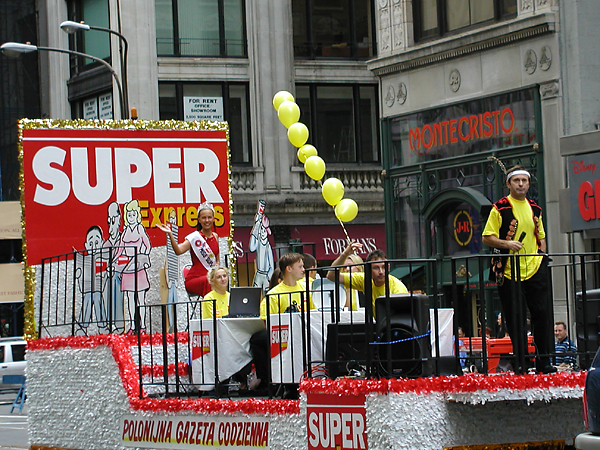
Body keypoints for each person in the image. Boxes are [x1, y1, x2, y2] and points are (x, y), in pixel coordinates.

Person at [482, 165, 556, 374]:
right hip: (508, 270)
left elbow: (541, 235)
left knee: (541, 314)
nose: (521, 184)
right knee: (515, 317)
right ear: (508, 184)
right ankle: (522, 361)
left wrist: (541, 254)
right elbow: (487, 237)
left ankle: (544, 361)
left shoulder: (535, 208)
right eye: (516, 181)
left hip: (534, 267)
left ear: (529, 184)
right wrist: (507, 244)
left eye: (524, 181)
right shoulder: (499, 208)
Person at [249, 253, 315, 396]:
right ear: (289, 269)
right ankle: (270, 380)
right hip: (284, 336)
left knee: (256, 339)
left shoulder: (307, 288)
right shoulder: (273, 294)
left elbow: (314, 313)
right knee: (259, 339)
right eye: (300, 266)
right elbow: (269, 324)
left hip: (305, 333)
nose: (303, 270)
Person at [326, 242, 408, 315]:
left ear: (388, 267)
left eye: (384, 267)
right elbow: (331, 276)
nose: (381, 272)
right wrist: (345, 254)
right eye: (376, 268)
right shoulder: (364, 279)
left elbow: (401, 316)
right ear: (368, 270)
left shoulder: (398, 289)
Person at [157, 203, 220, 297]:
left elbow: (217, 260)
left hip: (210, 278)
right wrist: (170, 234)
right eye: (203, 218)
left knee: (221, 279)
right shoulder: (194, 237)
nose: (207, 220)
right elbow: (178, 251)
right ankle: (210, 306)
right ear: (199, 220)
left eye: (209, 217)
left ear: (213, 219)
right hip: (195, 279)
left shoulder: (215, 236)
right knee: (209, 281)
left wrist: (216, 270)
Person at [114, 200, 152, 333]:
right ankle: (132, 326)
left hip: (138, 267)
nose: (131, 218)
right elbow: (120, 248)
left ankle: (143, 326)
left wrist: (143, 256)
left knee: (140, 299)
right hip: (127, 268)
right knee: (130, 298)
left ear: (137, 215)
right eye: (129, 215)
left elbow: (147, 244)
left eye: (133, 215)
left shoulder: (139, 228)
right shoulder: (125, 231)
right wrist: (114, 262)